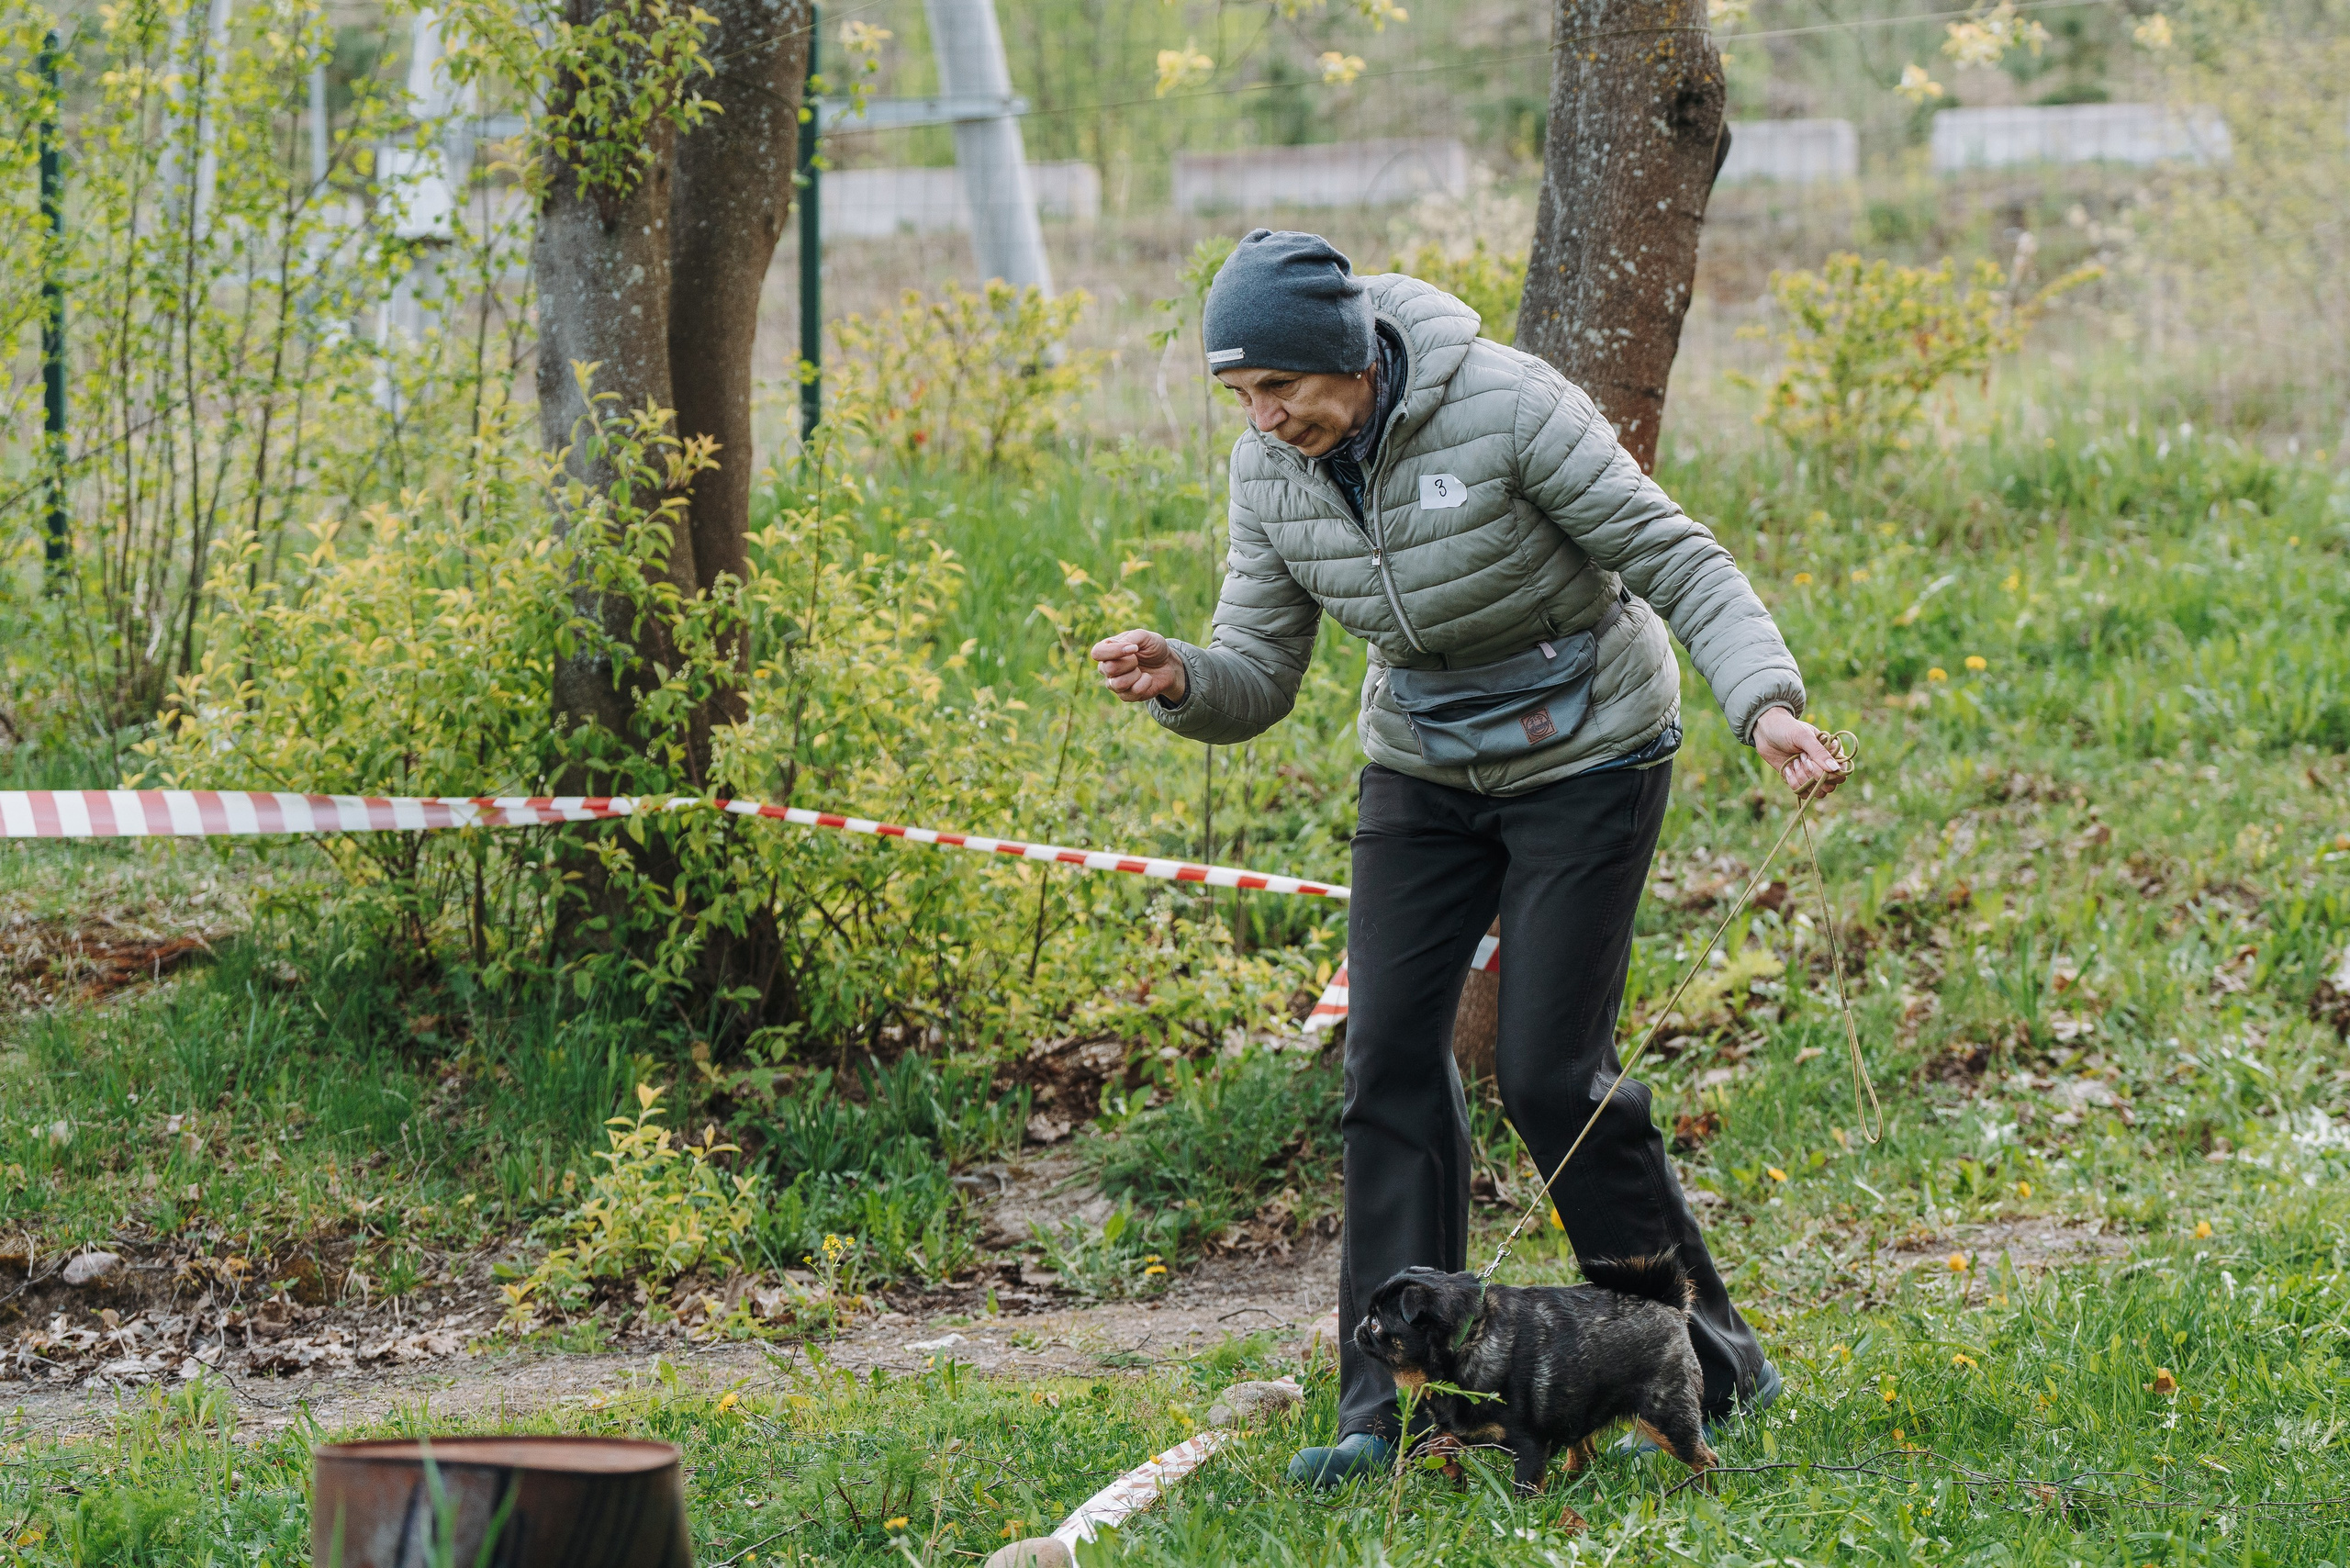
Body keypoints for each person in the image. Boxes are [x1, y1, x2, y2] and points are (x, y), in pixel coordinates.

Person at [1089, 230, 1845, 1489]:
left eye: (1283, 388)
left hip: (1591, 748)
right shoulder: (1270, 472)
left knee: (1552, 1077)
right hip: (1425, 766)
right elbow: (1259, 670)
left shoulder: (1505, 406)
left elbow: (1676, 556)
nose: (1266, 418)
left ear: (1348, 356)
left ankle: (1710, 1362)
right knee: (1388, 1058)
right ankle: (1388, 1407)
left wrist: (1766, 704)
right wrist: (1185, 681)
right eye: (1242, 398)